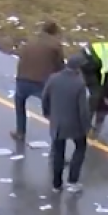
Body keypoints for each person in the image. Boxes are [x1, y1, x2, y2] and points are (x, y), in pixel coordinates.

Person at [41, 54, 91, 193]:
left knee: (58, 152)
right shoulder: (79, 84)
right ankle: (72, 181)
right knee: (80, 147)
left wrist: (47, 113)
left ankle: (56, 184)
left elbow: (45, 97)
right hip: (74, 124)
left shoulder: (54, 78)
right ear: (78, 68)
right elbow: (83, 109)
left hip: (57, 123)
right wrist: (86, 126)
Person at [10, 21, 65, 142]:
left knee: (20, 103)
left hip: (22, 79)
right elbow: (60, 66)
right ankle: (57, 140)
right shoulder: (55, 46)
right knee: (51, 112)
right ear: (54, 32)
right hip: (42, 82)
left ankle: (20, 132)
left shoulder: (30, 41)